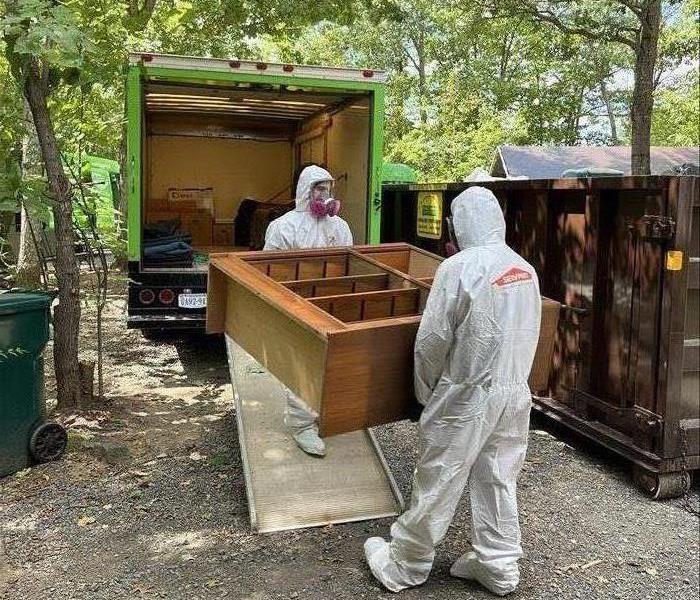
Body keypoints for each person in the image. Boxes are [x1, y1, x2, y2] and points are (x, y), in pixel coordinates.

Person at [364, 186, 542, 595]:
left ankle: (405, 564)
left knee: (439, 474)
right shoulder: (524, 268)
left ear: (460, 223)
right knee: (498, 474)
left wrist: (426, 392)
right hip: (514, 392)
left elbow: (432, 340)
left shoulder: (459, 267)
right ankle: (498, 566)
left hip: (466, 394)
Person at [264, 164, 353, 457]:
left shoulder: (339, 226)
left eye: (327, 188)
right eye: (318, 188)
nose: (323, 194)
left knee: (330, 361)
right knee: (300, 362)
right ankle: (302, 425)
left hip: (330, 302)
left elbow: (349, 264)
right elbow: (269, 269)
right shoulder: (283, 226)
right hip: (297, 303)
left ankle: (323, 414)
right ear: (305, 190)